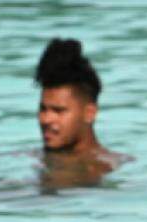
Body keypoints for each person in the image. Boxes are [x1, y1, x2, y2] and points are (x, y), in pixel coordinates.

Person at [34, 38, 125, 190]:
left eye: (59, 111)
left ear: (89, 113)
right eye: (43, 109)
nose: (46, 119)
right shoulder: (33, 155)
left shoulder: (100, 167)